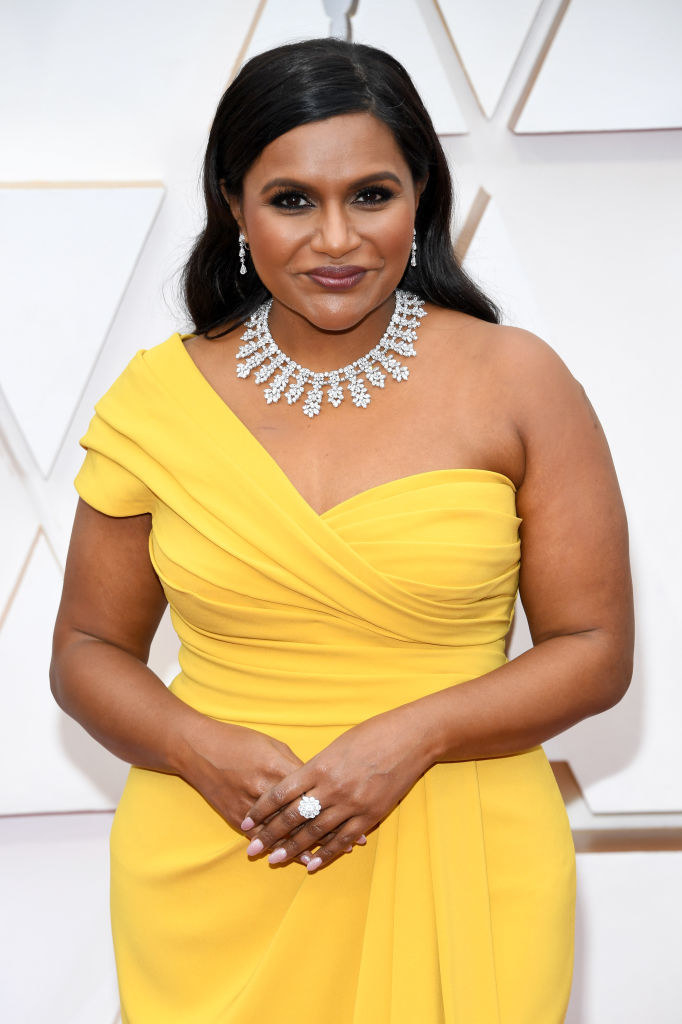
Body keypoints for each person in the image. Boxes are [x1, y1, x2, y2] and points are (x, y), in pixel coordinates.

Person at [50, 37, 633, 1024]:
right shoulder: (159, 399)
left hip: (464, 840)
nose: (336, 238)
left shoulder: (516, 380)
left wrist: (413, 735)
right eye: (292, 200)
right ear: (234, 204)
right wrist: (197, 747)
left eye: (371, 194)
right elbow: (85, 649)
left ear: (420, 197)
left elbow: (593, 650)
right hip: (221, 850)